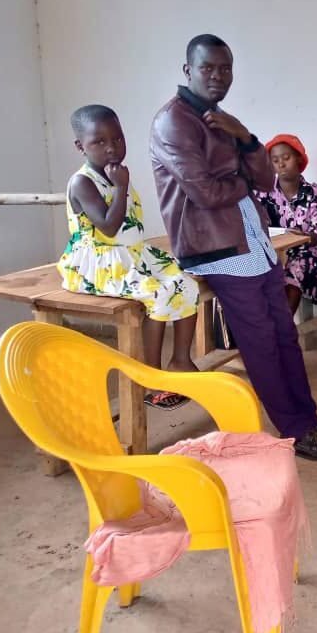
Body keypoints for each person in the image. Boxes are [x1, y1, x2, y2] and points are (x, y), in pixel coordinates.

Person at [150, 34, 317, 461]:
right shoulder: (173, 122)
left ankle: (310, 420)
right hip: (217, 248)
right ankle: (295, 430)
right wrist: (243, 181)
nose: (218, 76)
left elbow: (264, 179)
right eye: (207, 68)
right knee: (260, 343)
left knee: (284, 335)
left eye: (225, 68)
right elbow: (206, 193)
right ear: (188, 70)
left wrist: (245, 138)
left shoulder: (222, 119)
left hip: (254, 242)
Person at [58, 105, 199, 411]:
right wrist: (121, 186)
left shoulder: (115, 173)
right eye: (99, 142)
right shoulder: (82, 182)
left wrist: (120, 183)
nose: (111, 147)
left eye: (117, 139)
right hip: (98, 264)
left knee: (186, 284)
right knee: (158, 294)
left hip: (132, 256)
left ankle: (180, 361)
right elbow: (108, 228)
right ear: (80, 146)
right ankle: (152, 378)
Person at [254, 133, 317, 314]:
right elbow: (253, 225)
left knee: (292, 272)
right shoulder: (263, 193)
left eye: (286, 158)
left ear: (299, 158)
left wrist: (302, 237)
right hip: (275, 254)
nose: (281, 164)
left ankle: (283, 329)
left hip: (310, 255)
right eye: (275, 160)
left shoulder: (315, 193)